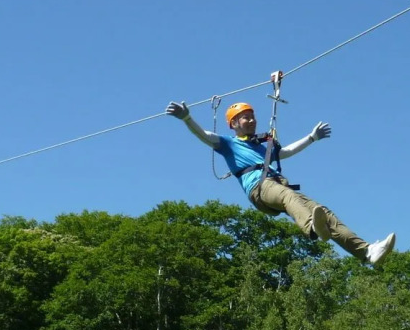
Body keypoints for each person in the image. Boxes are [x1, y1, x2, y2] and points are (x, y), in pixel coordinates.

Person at [165, 100, 397, 265]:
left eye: (252, 116)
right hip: (259, 188)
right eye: (245, 117)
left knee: (324, 212)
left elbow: (285, 152)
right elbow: (202, 135)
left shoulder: (262, 145)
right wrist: (187, 118)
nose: (251, 120)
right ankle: (312, 229)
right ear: (234, 123)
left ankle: (366, 252)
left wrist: (311, 138)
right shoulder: (228, 143)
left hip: (279, 185)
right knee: (289, 197)